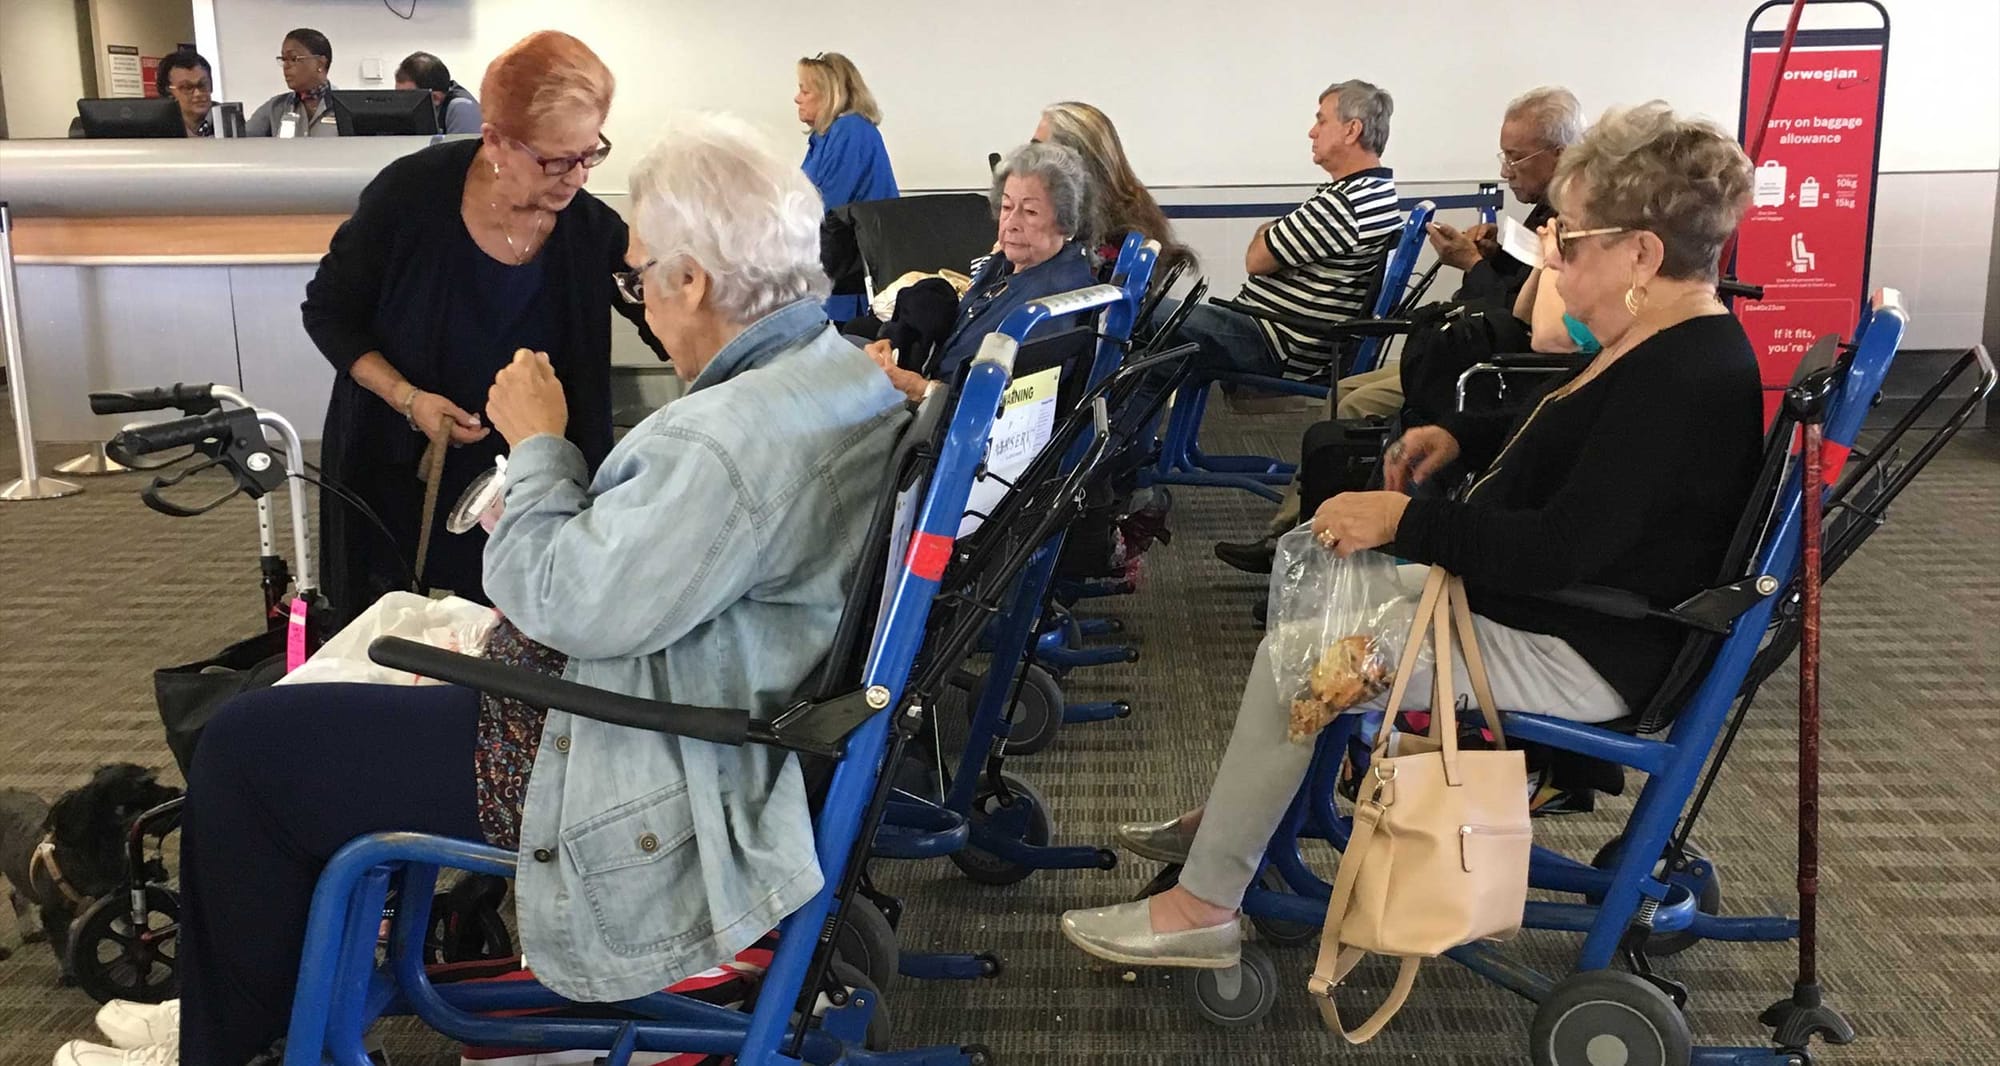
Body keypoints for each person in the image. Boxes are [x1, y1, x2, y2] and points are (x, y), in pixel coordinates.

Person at [53, 112, 910, 1066]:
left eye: (635, 279)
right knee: (314, 704)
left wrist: (538, 443)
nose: (637, 302)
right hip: (686, 711)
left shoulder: (726, 436)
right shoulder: (836, 376)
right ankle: (247, 1001)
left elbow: (564, 600)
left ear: (693, 280)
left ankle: (229, 1039)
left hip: (626, 755)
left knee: (250, 748)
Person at [1060, 102, 1761, 971]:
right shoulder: (1672, 344)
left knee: (1305, 662)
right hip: (1570, 621)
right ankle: (1247, 815)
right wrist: (1467, 437)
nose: (1556, 260)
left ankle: (1204, 904)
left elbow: (1559, 548)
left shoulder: (1677, 377)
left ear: (1642, 255)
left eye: (1571, 242)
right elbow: (1582, 446)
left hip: (1584, 648)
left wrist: (1406, 521)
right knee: (1314, 612)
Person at [300, 31, 662, 628]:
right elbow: (329, 312)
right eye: (554, 159)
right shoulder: (408, 196)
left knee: (524, 645)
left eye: (590, 153)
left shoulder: (587, 224)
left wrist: (662, 274)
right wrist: (408, 398)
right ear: (496, 141)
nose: (577, 177)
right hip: (407, 466)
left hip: (535, 482)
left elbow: (669, 328)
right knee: (406, 642)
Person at [1215, 86, 1588, 576]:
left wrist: (1476, 265)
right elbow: (1516, 296)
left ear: (1560, 155)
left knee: (1346, 405)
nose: (1504, 170)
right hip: (1469, 356)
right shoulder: (1548, 211)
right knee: (1346, 393)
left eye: (1516, 158)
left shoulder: (1571, 220)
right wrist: (1494, 259)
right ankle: (1299, 532)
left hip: (1490, 370)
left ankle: (1325, 544)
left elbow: (1528, 323)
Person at [1171, 80, 1400, 384]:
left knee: (1141, 317)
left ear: (1351, 130)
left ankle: (1116, 430)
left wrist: (1268, 232)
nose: (1312, 131)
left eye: (1322, 120)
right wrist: (1272, 233)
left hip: (1274, 341)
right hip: (1279, 333)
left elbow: (1257, 260)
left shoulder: (1344, 204)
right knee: (1156, 357)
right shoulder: (1372, 192)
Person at [866, 141, 1097, 402]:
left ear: (1066, 223)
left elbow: (1010, 408)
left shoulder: (1052, 303)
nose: (1011, 223)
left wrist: (920, 389)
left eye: (1031, 212)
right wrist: (894, 344)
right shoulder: (1006, 263)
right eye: (1007, 207)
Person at [1033, 101, 1195, 275]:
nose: (1028, 159)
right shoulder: (1133, 206)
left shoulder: (1107, 235)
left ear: (1070, 161)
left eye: (1037, 150)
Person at [796, 52, 899, 210]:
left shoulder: (850, 130)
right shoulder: (824, 135)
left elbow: (826, 207)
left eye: (805, 92)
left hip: (856, 233)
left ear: (829, 96)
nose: (797, 98)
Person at [246, 28, 340, 137]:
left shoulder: (344, 106)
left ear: (320, 63)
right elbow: (240, 142)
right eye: (284, 59)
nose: (286, 66)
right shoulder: (276, 107)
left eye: (293, 58)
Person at [396, 50, 484, 134]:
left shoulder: (462, 108)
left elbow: (462, 149)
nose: (401, 104)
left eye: (408, 98)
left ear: (435, 98)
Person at [155, 50, 215, 137]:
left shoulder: (228, 120)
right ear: (169, 92)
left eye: (203, 85)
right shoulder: (157, 127)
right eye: (187, 87)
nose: (198, 93)